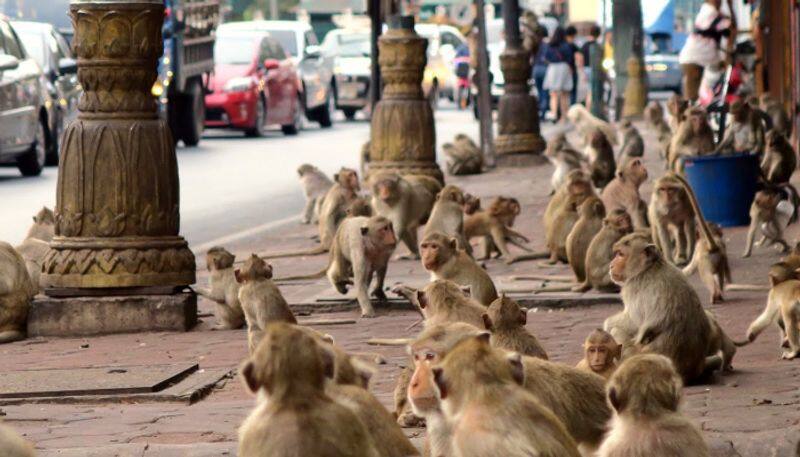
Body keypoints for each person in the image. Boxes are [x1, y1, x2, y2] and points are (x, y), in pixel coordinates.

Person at [678, 0, 734, 103]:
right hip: (693, 60)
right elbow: (731, 27)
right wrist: (731, 7)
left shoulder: (711, 12)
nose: (720, 2)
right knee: (691, 99)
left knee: (694, 97)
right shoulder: (710, 12)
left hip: (695, 60)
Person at [542, 26, 573, 123]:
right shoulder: (566, 45)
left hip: (553, 68)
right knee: (564, 94)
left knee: (553, 94)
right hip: (564, 68)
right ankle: (564, 116)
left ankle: (554, 115)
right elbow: (570, 58)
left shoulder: (550, 45)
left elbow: (545, 58)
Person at [580, 24, 602, 110]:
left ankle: (590, 109)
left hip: (586, 69)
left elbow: (580, 58)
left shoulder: (585, 45)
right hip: (594, 70)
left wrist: (582, 71)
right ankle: (589, 110)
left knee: (590, 91)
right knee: (592, 92)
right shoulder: (598, 46)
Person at [533, 28, 550, 121]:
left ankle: (539, 111)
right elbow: (547, 57)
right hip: (544, 68)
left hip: (536, 68)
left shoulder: (535, 44)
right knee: (544, 92)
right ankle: (543, 113)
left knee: (539, 91)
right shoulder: (546, 44)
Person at [565, 25, 582, 105]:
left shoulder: (562, 44)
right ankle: (572, 108)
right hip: (572, 69)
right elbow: (579, 56)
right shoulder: (572, 45)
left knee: (564, 92)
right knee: (573, 91)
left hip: (563, 70)